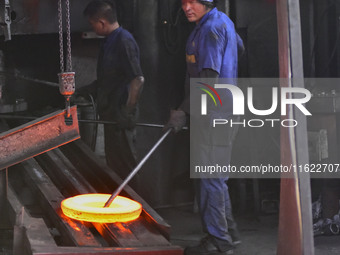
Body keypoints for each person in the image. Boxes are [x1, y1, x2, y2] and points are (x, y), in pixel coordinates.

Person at [165, 0, 244, 254]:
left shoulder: (210, 30)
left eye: (193, 2)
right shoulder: (218, 23)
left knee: (211, 178)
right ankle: (227, 234)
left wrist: (182, 111)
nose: (187, 7)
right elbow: (238, 48)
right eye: (184, 2)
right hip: (215, 111)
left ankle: (221, 244)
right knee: (213, 177)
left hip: (215, 113)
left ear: (207, 2)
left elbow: (208, 81)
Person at [81, 0, 144, 180]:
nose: (92, 27)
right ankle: (120, 203)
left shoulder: (124, 41)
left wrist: (127, 110)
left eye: (92, 23)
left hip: (120, 115)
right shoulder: (109, 41)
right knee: (115, 164)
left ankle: (136, 204)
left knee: (126, 165)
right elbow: (110, 77)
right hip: (111, 114)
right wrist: (88, 89)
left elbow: (137, 79)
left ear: (101, 22)